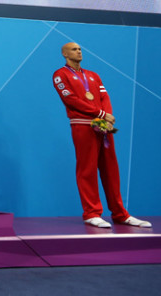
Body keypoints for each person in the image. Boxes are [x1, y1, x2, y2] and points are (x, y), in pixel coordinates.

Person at [51, 42, 151, 229]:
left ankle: (120, 213)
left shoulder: (93, 75)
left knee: (111, 169)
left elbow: (105, 97)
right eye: (74, 49)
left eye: (80, 49)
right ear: (64, 53)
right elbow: (70, 99)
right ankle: (91, 213)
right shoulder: (60, 75)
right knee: (87, 169)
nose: (79, 51)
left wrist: (107, 119)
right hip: (83, 125)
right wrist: (101, 114)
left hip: (103, 125)